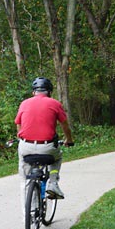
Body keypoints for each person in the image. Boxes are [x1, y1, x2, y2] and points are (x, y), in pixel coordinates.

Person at [15, 77, 74, 218]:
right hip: (47, 148)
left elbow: (18, 124)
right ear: (49, 91)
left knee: (25, 180)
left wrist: (22, 139)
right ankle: (53, 182)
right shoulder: (55, 103)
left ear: (33, 91)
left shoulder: (24, 103)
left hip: (26, 146)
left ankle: (27, 216)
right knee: (56, 158)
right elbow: (64, 125)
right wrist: (69, 140)